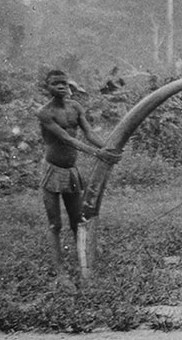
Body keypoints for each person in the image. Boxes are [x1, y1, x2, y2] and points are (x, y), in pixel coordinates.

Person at [36, 70, 121, 275]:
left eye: (64, 83)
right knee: (55, 224)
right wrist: (98, 153)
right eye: (55, 83)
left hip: (71, 171)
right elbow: (66, 139)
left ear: (69, 86)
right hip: (52, 170)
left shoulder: (76, 107)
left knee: (78, 220)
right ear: (47, 87)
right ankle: (60, 271)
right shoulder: (45, 112)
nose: (61, 87)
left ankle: (84, 263)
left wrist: (110, 149)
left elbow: (89, 133)